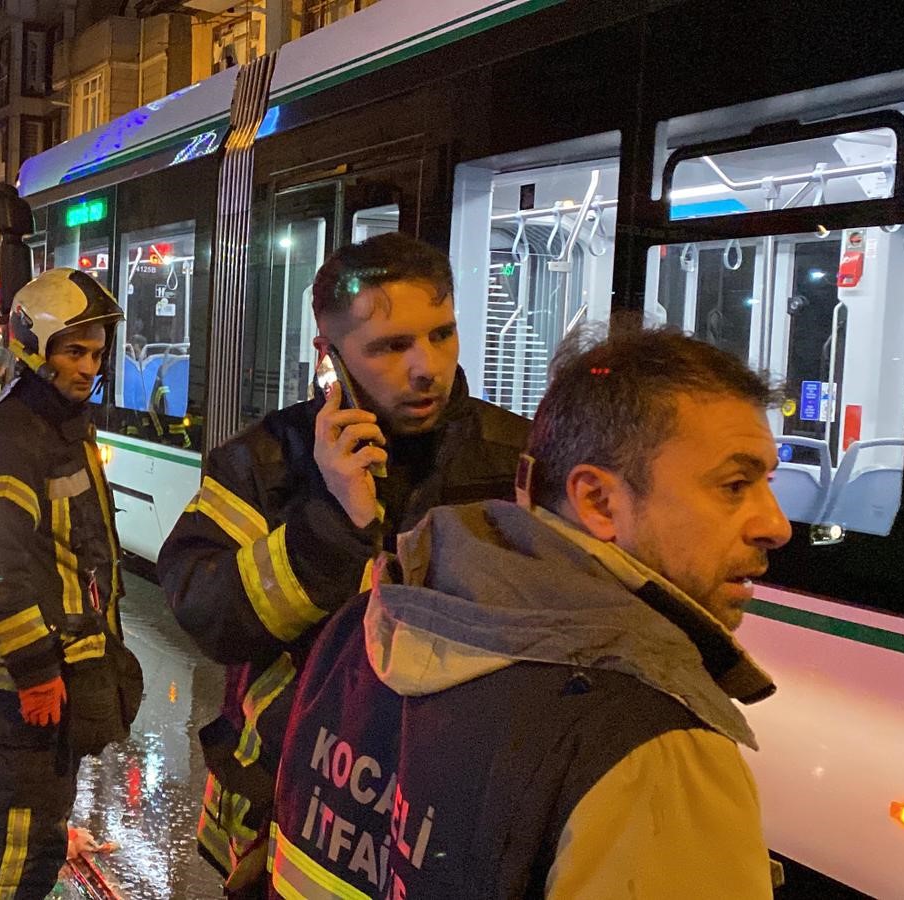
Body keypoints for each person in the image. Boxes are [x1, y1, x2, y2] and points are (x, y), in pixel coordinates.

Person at [268, 325, 791, 898]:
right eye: (735, 485)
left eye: (768, 482)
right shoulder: (656, 752)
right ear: (598, 501)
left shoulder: (366, 623)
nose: (776, 525)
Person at [158, 233, 529, 895]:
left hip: (450, 816)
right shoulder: (267, 461)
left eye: (442, 335)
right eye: (390, 347)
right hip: (283, 810)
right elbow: (203, 611)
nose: (428, 368)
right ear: (330, 357)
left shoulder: (517, 462)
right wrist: (334, 522)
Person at [0, 268, 143, 899]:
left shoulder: (62, 425)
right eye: (73, 351)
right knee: (23, 841)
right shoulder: (14, 436)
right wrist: (37, 671)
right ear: (35, 348)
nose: (88, 366)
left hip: (60, 671)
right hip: (26, 684)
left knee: (42, 831)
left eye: (96, 352)